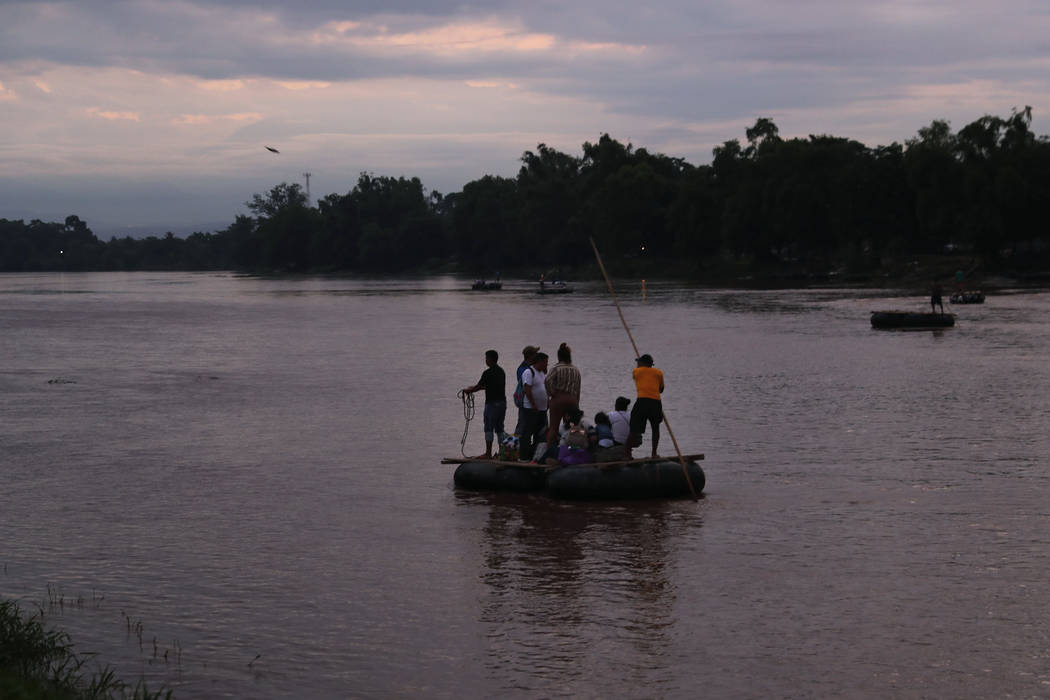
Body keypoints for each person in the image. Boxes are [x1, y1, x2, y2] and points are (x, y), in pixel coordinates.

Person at [461, 349, 505, 459]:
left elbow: (479, 386)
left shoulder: (487, 373)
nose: (486, 360)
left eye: (486, 358)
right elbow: (490, 386)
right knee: (499, 428)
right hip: (502, 404)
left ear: (490, 359)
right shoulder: (501, 371)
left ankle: (488, 453)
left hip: (492, 404)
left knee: (488, 427)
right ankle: (502, 453)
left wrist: (469, 390)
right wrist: (475, 388)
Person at [625, 354, 664, 460]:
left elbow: (637, 377)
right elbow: (661, 389)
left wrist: (641, 368)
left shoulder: (636, 371)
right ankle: (654, 454)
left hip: (642, 401)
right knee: (655, 428)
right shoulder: (659, 372)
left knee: (634, 429)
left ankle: (627, 454)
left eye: (638, 362)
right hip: (656, 402)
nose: (637, 364)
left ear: (642, 363)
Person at [544, 342, 582, 447]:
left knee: (553, 428)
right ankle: (571, 450)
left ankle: (549, 451)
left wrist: (552, 393)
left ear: (558, 356)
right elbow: (578, 389)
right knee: (571, 428)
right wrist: (576, 404)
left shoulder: (556, 368)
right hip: (572, 400)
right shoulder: (576, 370)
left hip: (558, 399)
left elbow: (547, 381)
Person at [519, 352, 549, 461]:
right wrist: (533, 405)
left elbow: (545, 389)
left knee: (540, 434)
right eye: (545, 362)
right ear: (539, 362)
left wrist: (547, 404)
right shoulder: (529, 372)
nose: (547, 365)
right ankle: (523, 457)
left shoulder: (542, 373)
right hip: (530, 409)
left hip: (542, 410)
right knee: (527, 433)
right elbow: (527, 390)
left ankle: (535, 456)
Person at [513, 345, 540, 436]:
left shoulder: (531, 368)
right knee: (521, 426)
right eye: (535, 354)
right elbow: (526, 387)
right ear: (530, 356)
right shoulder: (523, 369)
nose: (537, 356)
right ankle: (515, 443)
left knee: (532, 426)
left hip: (532, 402)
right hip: (525, 403)